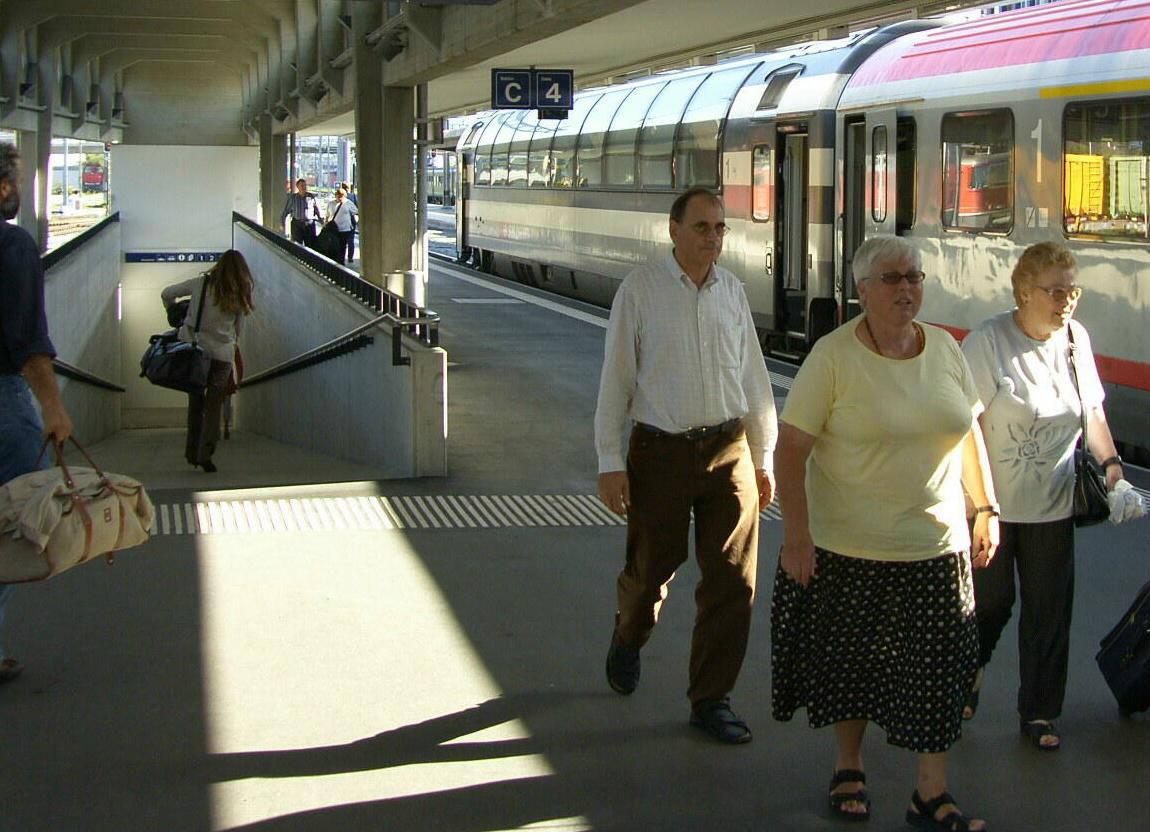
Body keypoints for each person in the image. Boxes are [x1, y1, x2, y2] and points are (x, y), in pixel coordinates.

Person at [771, 236, 998, 829]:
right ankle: (849, 765)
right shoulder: (833, 356)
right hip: (851, 546)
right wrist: (797, 536)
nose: (906, 289)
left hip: (937, 545)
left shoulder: (945, 348)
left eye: (914, 277)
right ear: (863, 289)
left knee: (938, 671)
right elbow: (790, 451)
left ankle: (931, 792)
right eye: (893, 279)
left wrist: (986, 507)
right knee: (853, 666)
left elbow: (969, 431)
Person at [595, 187, 777, 744]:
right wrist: (609, 460)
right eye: (702, 227)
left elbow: (753, 379)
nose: (713, 237)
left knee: (733, 582)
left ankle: (711, 699)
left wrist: (763, 455)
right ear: (673, 230)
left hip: (728, 449)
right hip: (660, 452)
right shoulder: (640, 291)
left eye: (720, 228)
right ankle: (629, 634)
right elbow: (616, 378)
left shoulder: (732, 292)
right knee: (652, 569)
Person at [960, 242, 1144, 751]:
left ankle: (1040, 712)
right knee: (990, 604)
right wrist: (978, 504)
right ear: (1024, 291)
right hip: (991, 505)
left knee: (1048, 613)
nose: (1067, 302)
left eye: (1073, 291)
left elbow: (1093, 413)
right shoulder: (987, 342)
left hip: (1054, 502)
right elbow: (964, 425)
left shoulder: (1075, 341)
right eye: (1056, 292)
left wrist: (1114, 473)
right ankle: (969, 668)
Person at [0, 141, 75, 686]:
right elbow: (29, 344)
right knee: (11, 519)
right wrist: (53, 408)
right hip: (3, 403)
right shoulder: (13, 246)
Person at [161, 250, 255, 473]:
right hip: (222, 356)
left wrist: (175, 311)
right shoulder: (241, 291)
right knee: (213, 406)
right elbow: (238, 330)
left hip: (195, 352)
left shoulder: (200, 283)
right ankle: (206, 454)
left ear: (219, 265)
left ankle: (191, 453)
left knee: (196, 403)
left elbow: (167, 293)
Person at [280, 178, 321, 247]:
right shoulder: (293, 198)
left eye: (305, 185)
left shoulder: (311, 196)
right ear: (297, 187)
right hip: (297, 225)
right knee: (297, 246)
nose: (304, 187)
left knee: (311, 246)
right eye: (302, 185)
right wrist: (282, 223)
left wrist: (321, 220)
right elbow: (286, 211)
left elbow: (316, 209)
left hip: (309, 225)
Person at [325, 187, 358, 266]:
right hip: (333, 229)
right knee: (334, 246)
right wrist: (325, 222)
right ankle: (334, 261)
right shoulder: (331, 203)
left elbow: (355, 211)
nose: (340, 198)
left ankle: (341, 262)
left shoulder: (348, 203)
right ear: (336, 195)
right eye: (338, 195)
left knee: (343, 246)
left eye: (342, 196)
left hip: (345, 229)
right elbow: (327, 215)